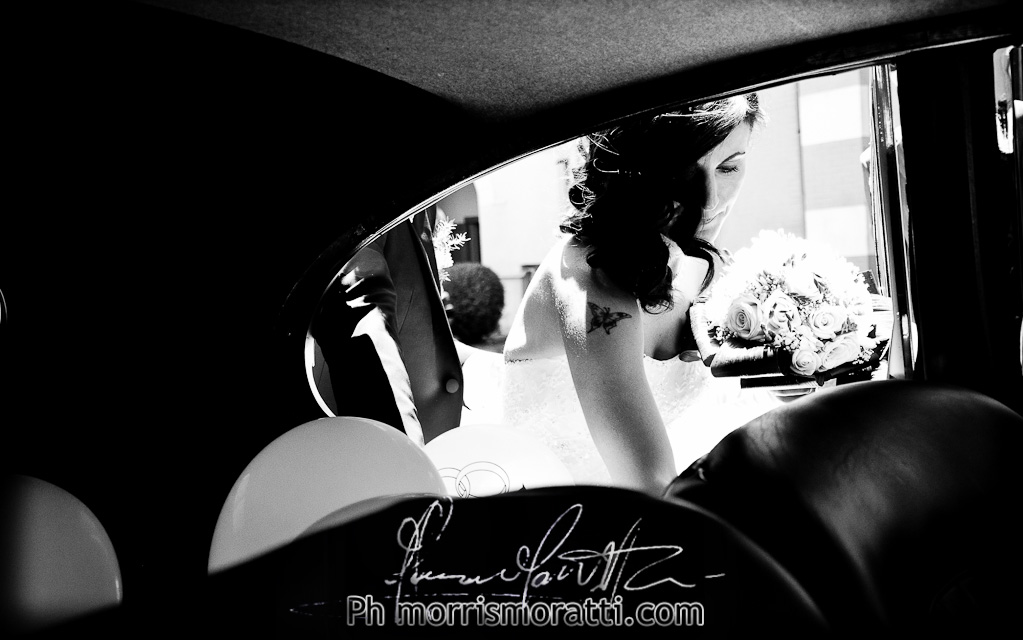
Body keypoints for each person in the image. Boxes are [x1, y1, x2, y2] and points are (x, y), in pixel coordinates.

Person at [500, 94, 778, 495]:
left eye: (729, 167)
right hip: (571, 521)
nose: (711, 200)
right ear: (638, 170)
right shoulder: (587, 279)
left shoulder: (710, 272)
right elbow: (649, 484)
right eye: (684, 171)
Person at [311, 206, 466, 446]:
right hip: (351, 447)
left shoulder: (419, 209)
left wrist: (475, 363)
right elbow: (360, 323)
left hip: (428, 442)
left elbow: (412, 316)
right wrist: (400, 454)